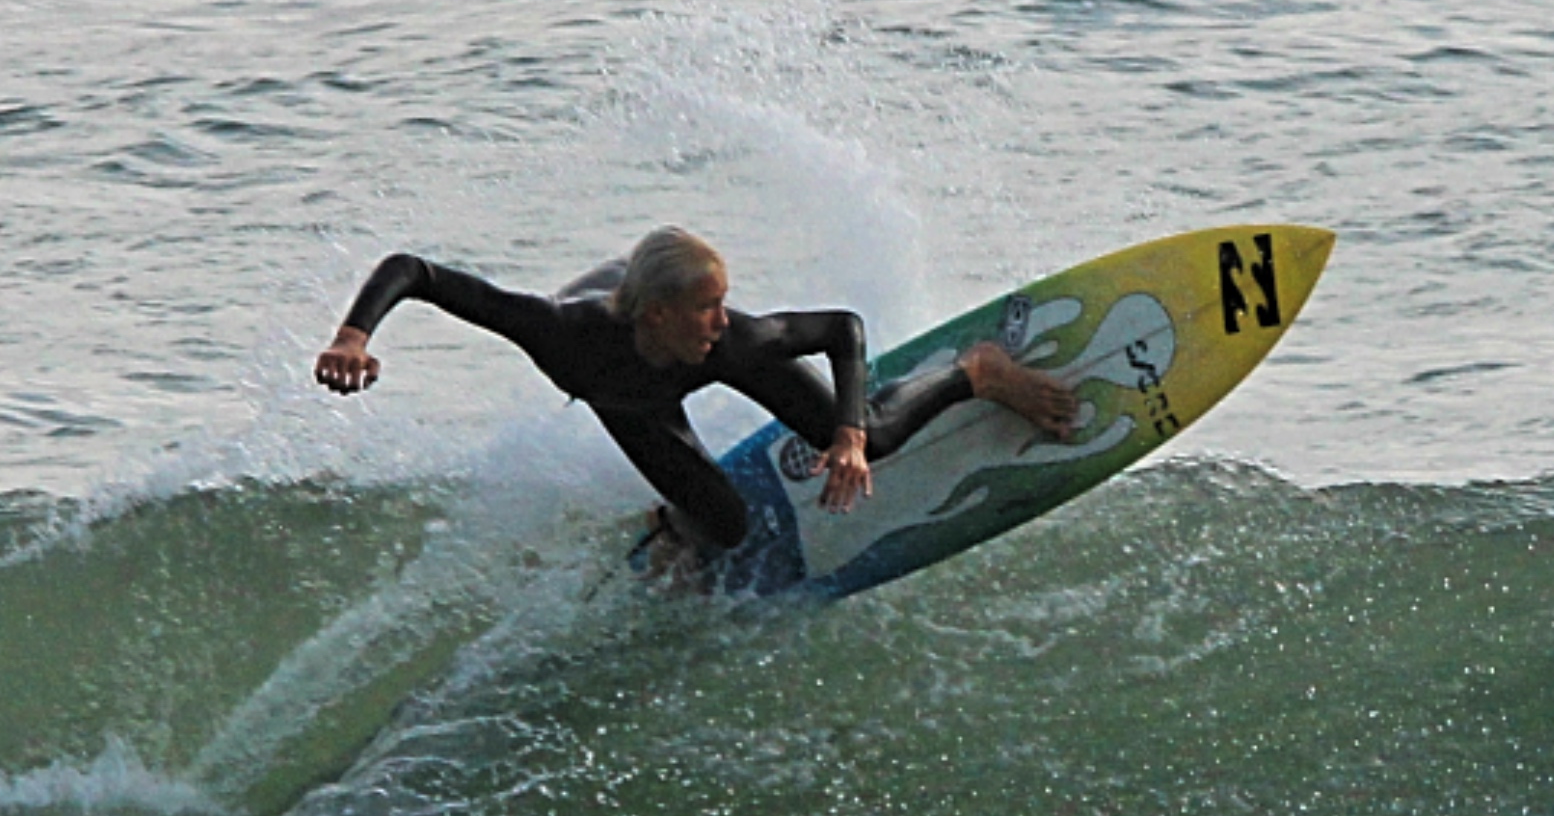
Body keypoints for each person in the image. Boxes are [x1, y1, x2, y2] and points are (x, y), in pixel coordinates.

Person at [313, 227, 1078, 570]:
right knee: (724, 526)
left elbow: (842, 329)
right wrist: (355, 336)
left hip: (668, 371)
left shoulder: (731, 339)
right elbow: (417, 270)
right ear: (656, 314)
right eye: (707, 307)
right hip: (626, 394)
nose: (724, 318)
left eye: (725, 302)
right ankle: (668, 523)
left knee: (874, 437)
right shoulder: (558, 333)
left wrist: (845, 432)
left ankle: (976, 373)